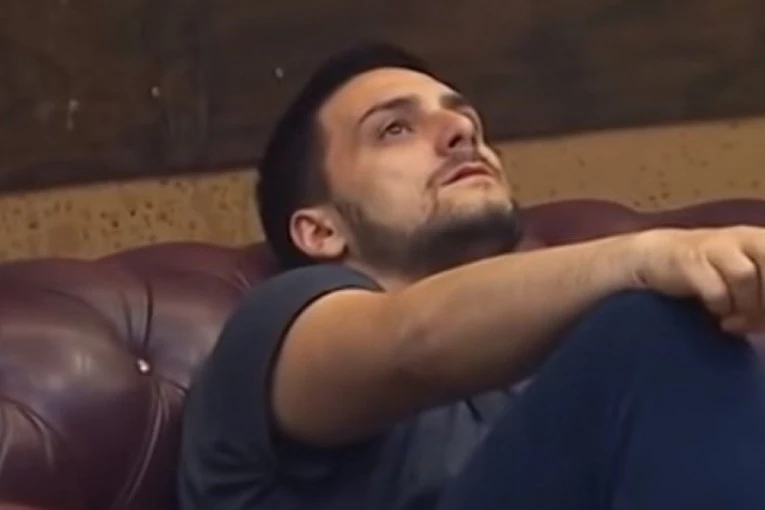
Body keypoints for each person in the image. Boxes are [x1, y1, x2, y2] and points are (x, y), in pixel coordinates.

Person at [177, 43, 765, 510]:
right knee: (651, 328)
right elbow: (408, 340)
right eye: (394, 129)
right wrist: (644, 259)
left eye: (465, 119)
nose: (463, 133)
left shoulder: (555, 366)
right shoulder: (272, 325)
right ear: (320, 230)